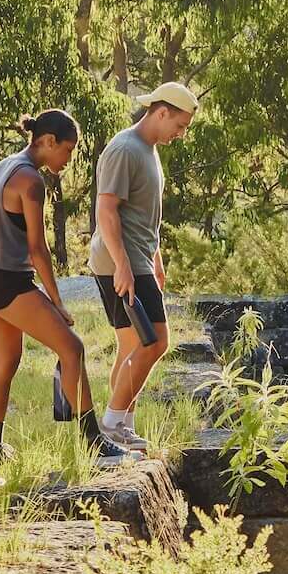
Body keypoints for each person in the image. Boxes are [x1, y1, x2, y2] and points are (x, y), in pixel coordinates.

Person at [0, 110, 120, 469]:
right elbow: (38, 249)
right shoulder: (31, 182)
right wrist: (57, 303)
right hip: (7, 281)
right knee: (72, 349)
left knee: (7, 361)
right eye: (68, 151)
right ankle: (93, 445)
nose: (69, 160)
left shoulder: (4, 167)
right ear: (48, 142)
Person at [87, 80, 199, 450]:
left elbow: (144, 215)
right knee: (156, 342)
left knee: (132, 345)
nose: (180, 134)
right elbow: (106, 210)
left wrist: (156, 257)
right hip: (123, 262)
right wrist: (123, 265)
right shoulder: (125, 149)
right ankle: (111, 423)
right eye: (179, 125)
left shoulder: (148, 150)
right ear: (161, 111)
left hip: (139, 259)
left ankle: (122, 425)